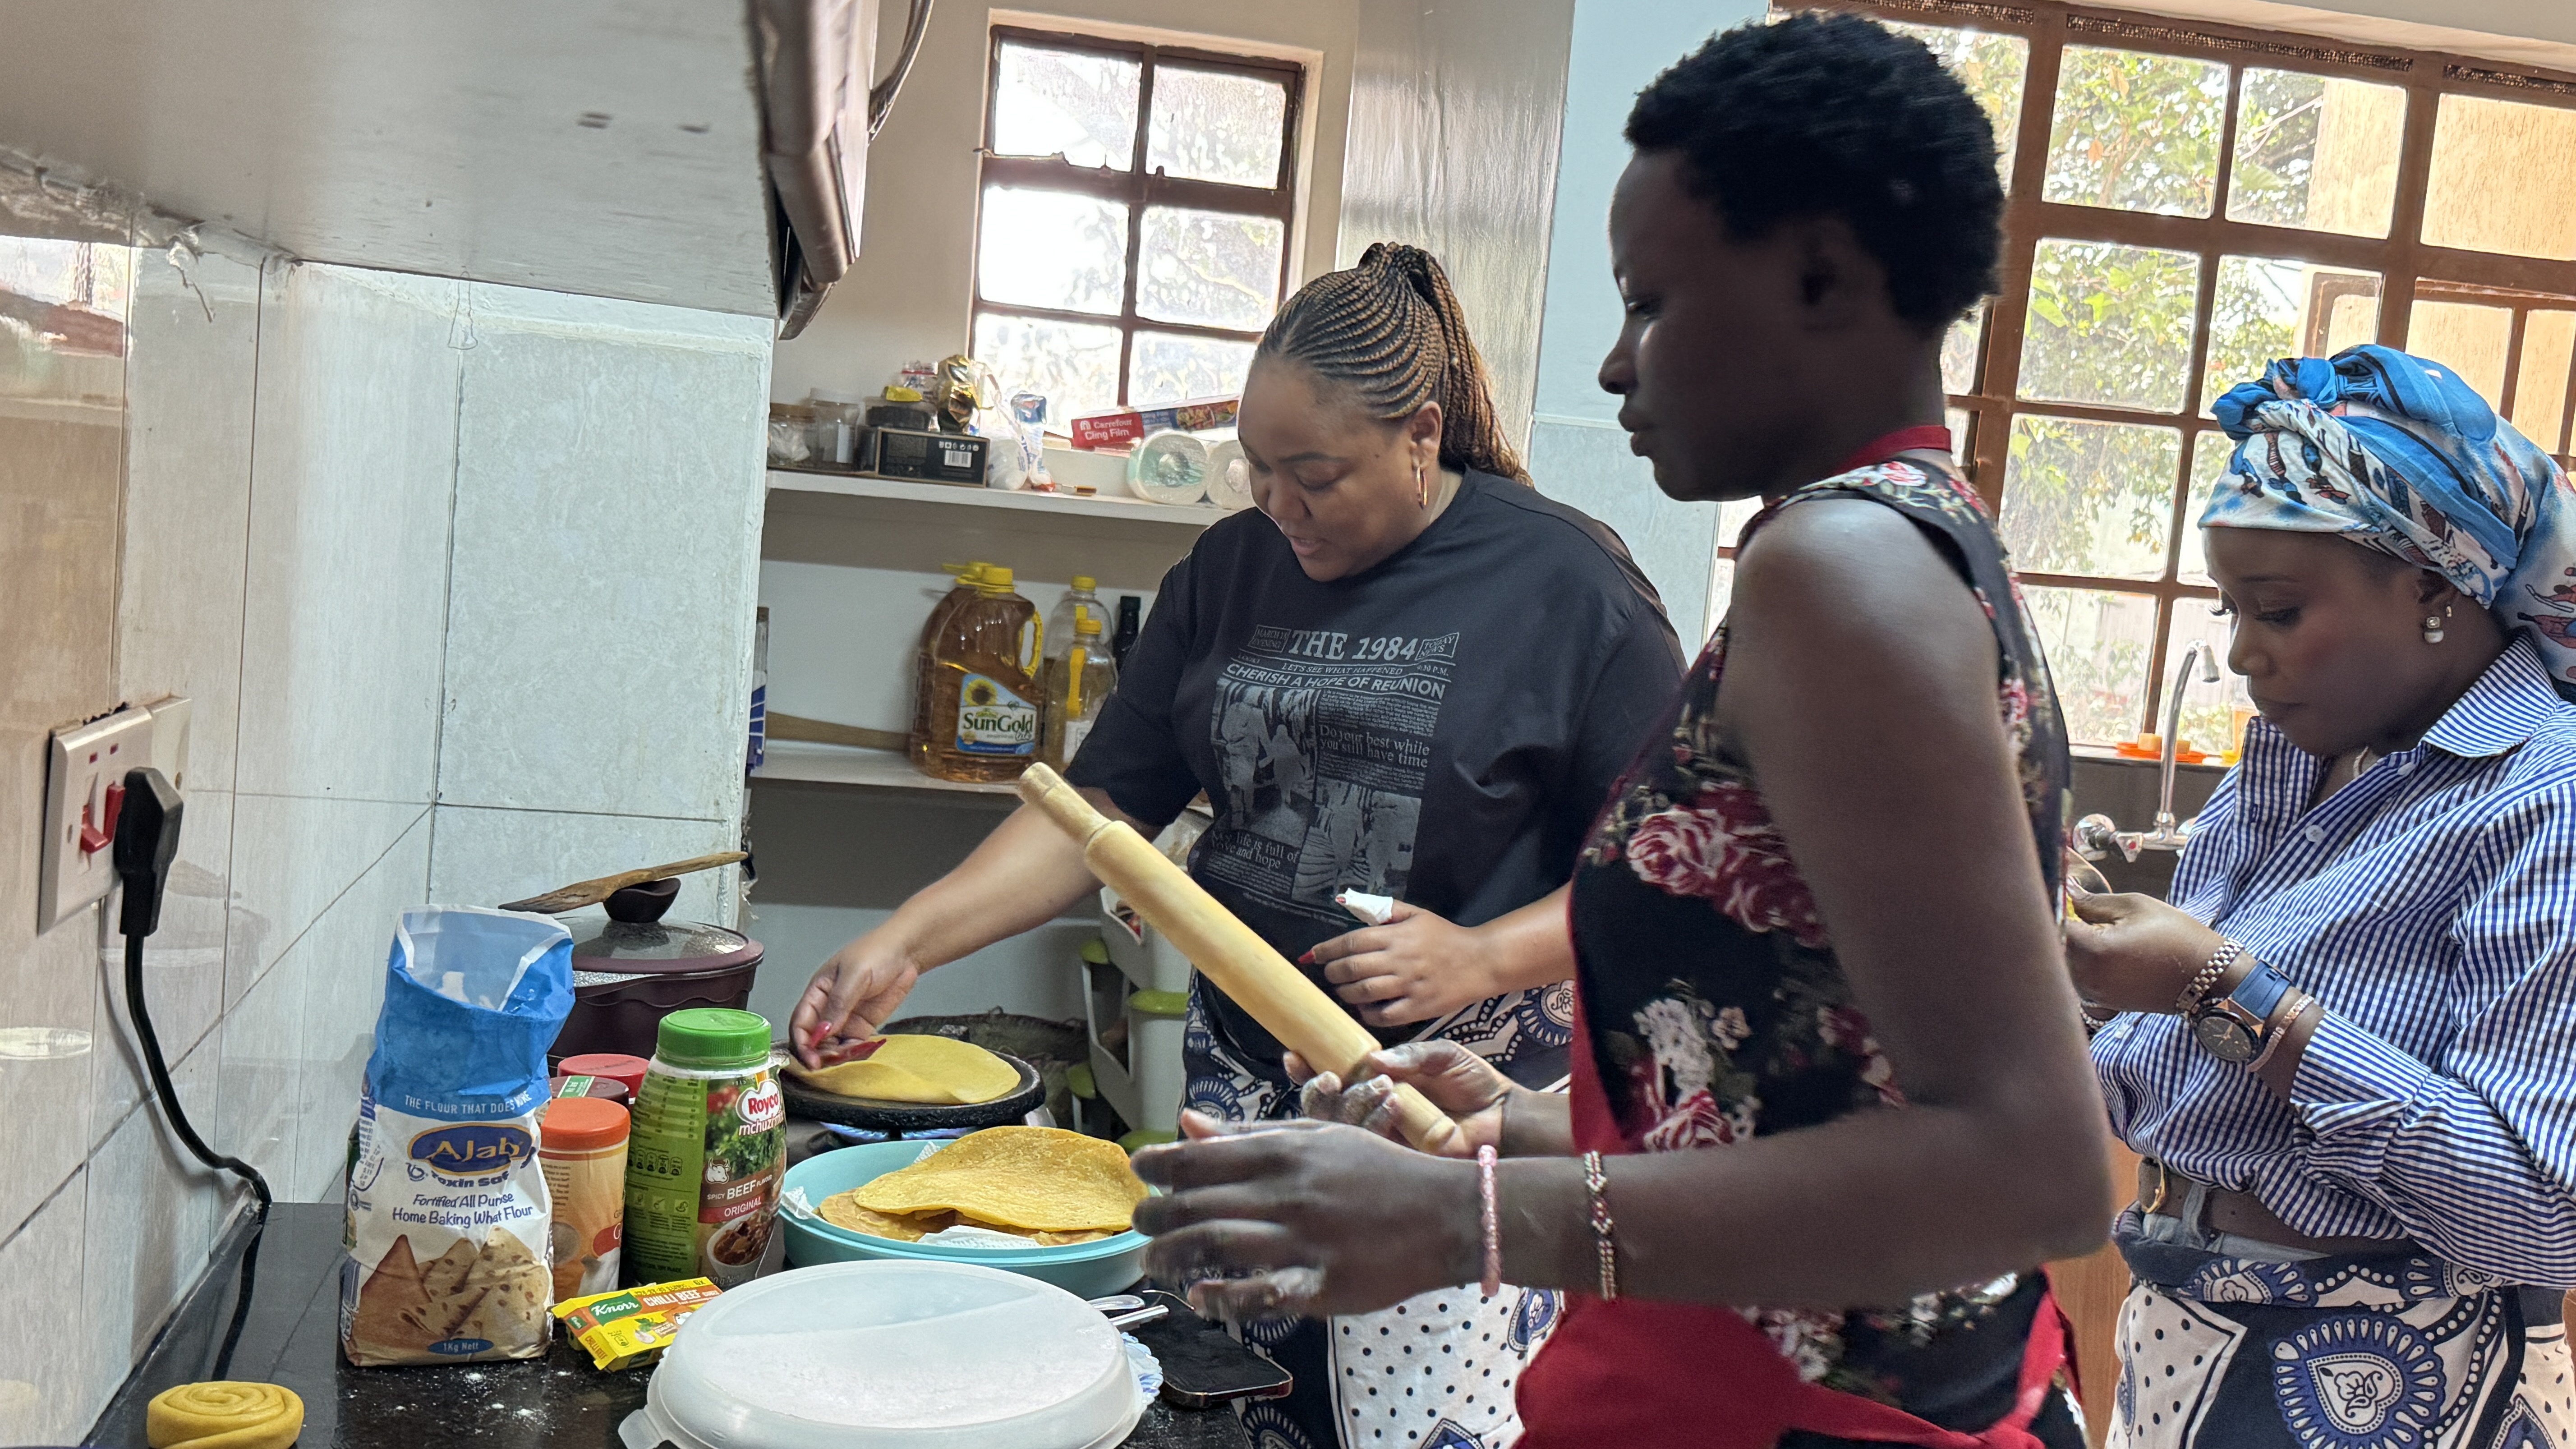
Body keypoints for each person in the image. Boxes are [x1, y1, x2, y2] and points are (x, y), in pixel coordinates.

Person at [1127, 16, 2115, 1449]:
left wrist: (1466, 1219)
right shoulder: (1897, 542)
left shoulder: (1839, 570)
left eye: (1652, 303)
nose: (1612, 363)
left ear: (1824, 279)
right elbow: (1827, 1076)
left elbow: (2033, 1165)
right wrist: (1538, 1119)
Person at [790, 243, 1685, 1448]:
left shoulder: (1571, 588)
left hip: (1449, 1117)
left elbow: (1657, 881)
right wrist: (908, 941)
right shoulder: (1231, 570)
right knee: (1235, 1405)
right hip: (1244, 1083)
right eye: (1257, 469)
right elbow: (1099, 812)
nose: (1278, 504)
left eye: (1315, 474)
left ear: (1422, 435)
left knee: (1412, 1428)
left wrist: (1480, 955)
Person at [2072, 345, 2576, 1449]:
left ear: (2433, 586)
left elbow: (2543, 1213)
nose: (2243, 652)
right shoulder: (2289, 765)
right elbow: (2185, 1082)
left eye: (2280, 609)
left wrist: (2225, 990)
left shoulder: (2548, 796)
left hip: (2392, 1374)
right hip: (2191, 1330)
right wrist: (2087, 984)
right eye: (2232, 608)